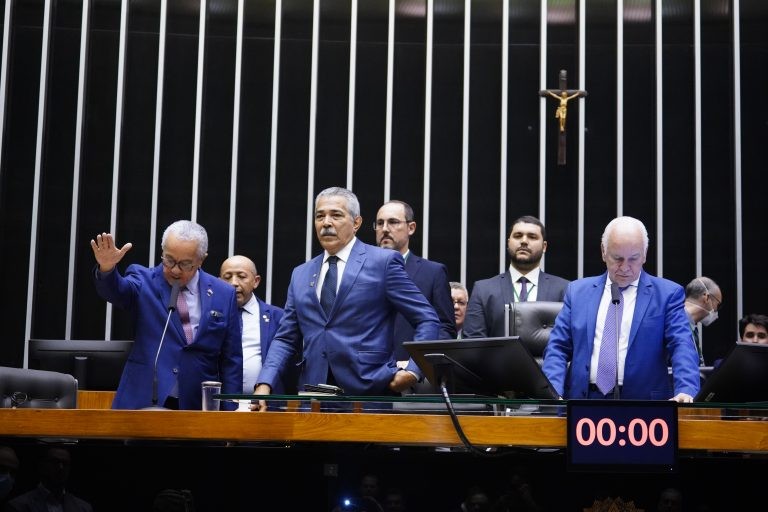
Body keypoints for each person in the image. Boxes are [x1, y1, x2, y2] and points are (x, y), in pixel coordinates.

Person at [252, 187, 440, 409]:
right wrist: (264, 383)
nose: (326, 222)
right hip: (313, 395)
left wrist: (413, 371)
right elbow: (285, 337)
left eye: (336, 215)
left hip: (369, 392)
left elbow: (427, 319)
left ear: (357, 223)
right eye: (320, 216)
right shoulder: (300, 273)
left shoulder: (383, 262)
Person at [541, 216, 700, 402]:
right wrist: (552, 393)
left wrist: (686, 389)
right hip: (583, 402)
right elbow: (558, 347)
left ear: (645, 254)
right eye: (617, 258)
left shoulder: (667, 295)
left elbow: (682, 345)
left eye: (633, 258)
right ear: (603, 251)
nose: (625, 268)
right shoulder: (578, 292)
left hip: (644, 406)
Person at [91, 220, 243, 410]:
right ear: (162, 251)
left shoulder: (223, 293)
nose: (175, 270)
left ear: (201, 260)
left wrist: (231, 412)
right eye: (169, 260)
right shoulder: (143, 280)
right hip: (145, 398)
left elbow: (231, 360)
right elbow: (116, 291)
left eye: (185, 264)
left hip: (197, 403)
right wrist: (107, 269)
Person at [463, 215, 569, 338]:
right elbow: (474, 341)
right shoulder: (483, 290)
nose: (524, 241)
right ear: (508, 243)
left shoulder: (565, 289)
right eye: (518, 236)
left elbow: (570, 340)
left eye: (532, 237)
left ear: (544, 246)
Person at [374, 200, 455, 359]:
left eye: (393, 222)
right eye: (379, 223)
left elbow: (445, 329)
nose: (384, 229)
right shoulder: (361, 270)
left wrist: (418, 365)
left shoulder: (433, 272)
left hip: (413, 374)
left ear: (411, 228)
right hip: (365, 374)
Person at [219, 255, 291, 394]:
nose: (234, 282)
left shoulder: (278, 317)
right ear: (219, 282)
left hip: (265, 405)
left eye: (241, 276)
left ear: (256, 281)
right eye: (227, 277)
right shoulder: (210, 315)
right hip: (220, 405)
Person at [5, 445, 93, 512]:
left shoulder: (83, 508)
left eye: (65, 463)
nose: (61, 467)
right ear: (42, 466)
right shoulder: (18, 506)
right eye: (55, 462)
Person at [683, 276, 723, 365]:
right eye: (718, 305)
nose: (717, 312)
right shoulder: (675, 322)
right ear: (707, 297)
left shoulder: (691, 326)